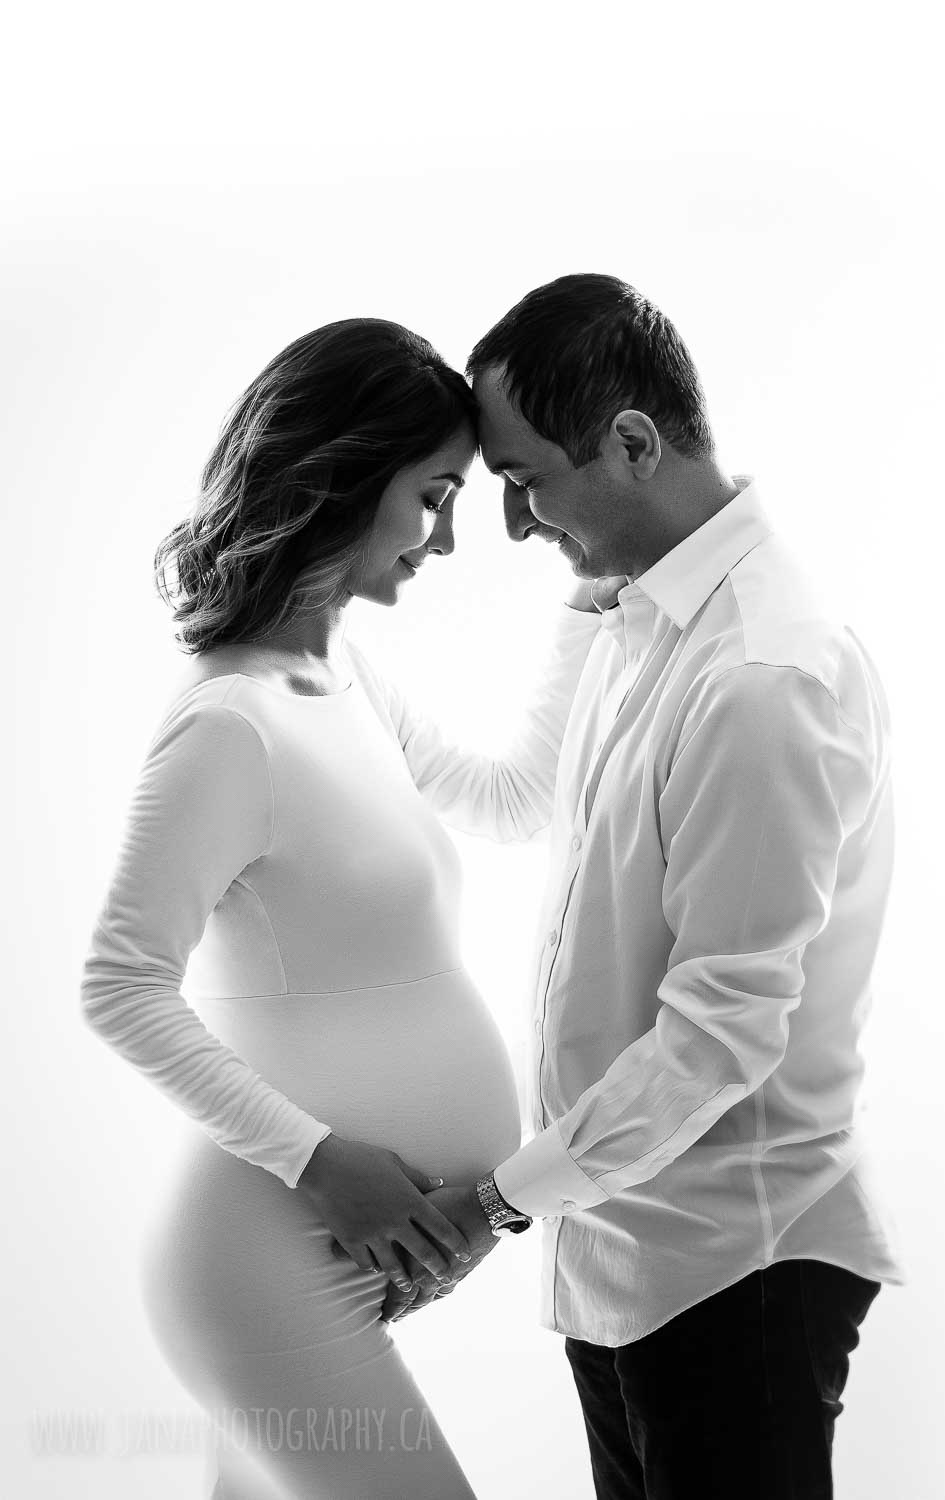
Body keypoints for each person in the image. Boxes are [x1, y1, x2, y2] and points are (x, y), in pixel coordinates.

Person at [380, 274, 907, 1499]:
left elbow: (719, 1035)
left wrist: (496, 1207)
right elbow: (519, 798)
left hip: (735, 1267)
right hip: (619, 1254)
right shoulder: (628, 612)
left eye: (524, 481)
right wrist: (330, 656)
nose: (510, 525)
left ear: (630, 443)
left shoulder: (761, 675)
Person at [79, 317, 605, 1499]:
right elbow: (117, 987)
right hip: (267, 1259)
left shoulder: (342, 674)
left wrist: (588, 604)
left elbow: (509, 799)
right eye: (431, 497)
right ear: (341, 480)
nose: (449, 538)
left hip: (341, 1256)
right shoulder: (231, 724)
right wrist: (322, 1166)